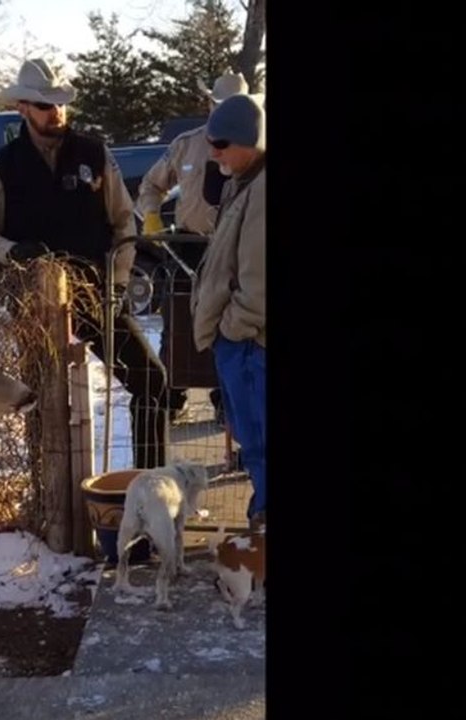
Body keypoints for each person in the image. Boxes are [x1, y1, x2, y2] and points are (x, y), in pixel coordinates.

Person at [0, 58, 170, 469]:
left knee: (152, 381)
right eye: (44, 105)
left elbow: (123, 223)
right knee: (43, 403)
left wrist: (117, 284)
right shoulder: (2, 165)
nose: (55, 111)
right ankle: (49, 500)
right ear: (23, 107)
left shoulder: (94, 153)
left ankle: (149, 485)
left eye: (60, 103)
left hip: (97, 296)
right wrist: (11, 252)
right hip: (34, 305)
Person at [137, 72, 250, 425]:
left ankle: (224, 398)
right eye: (219, 106)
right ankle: (173, 395)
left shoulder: (254, 149)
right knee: (179, 324)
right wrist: (151, 217)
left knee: (229, 326)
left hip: (235, 249)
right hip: (189, 247)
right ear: (209, 105)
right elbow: (151, 185)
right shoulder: (186, 145)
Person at [190, 94, 266, 527]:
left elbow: (259, 281)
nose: (212, 151)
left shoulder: (261, 187)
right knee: (254, 444)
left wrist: (233, 329)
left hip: (251, 345)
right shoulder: (244, 181)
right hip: (244, 342)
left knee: (259, 445)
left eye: (220, 142)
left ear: (247, 142)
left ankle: (263, 537)